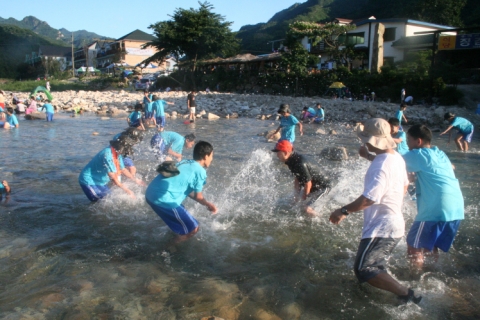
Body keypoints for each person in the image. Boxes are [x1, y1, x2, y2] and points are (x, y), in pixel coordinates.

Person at [329, 118, 421, 304]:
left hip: (383, 227)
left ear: (370, 140)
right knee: (373, 265)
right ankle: (397, 292)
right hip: (393, 223)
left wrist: (343, 210)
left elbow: (369, 199)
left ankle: (407, 294)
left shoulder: (380, 164)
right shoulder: (396, 158)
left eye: (364, 138)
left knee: (364, 268)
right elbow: (403, 187)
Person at [403, 124, 464, 270]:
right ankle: (431, 273)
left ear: (418, 141)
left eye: (408, 140)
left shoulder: (418, 154)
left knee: (414, 246)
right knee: (430, 246)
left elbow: (390, 162)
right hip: (456, 209)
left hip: (437, 208)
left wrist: (368, 154)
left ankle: (415, 279)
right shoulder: (440, 153)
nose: (407, 144)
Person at [145, 141, 217, 243]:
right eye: (211, 156)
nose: (212, 159)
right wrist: (208, 204)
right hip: (162, 199)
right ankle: (169, 248)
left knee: (182, 214)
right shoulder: (200, 171)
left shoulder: (186, 162)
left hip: (151, 193)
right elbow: (198, 196)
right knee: (193, 229)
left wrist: (206, 203)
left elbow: (187, 191)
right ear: (206, 156)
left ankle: (167, 234)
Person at [272, 140, 331, 216]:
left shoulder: (299, 163)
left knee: (307, 209)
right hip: (314, 185)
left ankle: (324, 218)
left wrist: (303, 200)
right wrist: (296, 197)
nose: (277, 155)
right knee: (292, 203)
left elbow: (308, 183)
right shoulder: (290, 160)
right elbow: (297, 179)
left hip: (323, 187)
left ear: (286, 153)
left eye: (278, 152)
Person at [78, 135, 146, 201]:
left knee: (110, 199)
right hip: (89, 181)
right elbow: (113, 177)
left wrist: (135, 180)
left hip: (101, 182)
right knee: (100, 201)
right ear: (121, 148)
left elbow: (123, 169)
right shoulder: (108, 155)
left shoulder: (116, 152)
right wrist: (127, 190)